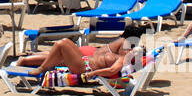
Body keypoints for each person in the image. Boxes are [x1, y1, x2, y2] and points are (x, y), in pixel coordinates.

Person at [13, 29, 145, 78]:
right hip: (85, 60)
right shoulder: (122, 50)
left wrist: (92, 74)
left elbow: (111, 71)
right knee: (63, 46)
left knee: (62, 44)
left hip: (83, 68)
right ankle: (28, 62)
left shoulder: (123, 58)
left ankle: (40, 69)